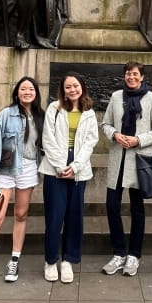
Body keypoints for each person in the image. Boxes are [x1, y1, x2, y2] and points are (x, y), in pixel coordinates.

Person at [0, 76, 44, 294]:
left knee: (21, 214)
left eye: (30, 89)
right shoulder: (6, 114)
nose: (27, 92)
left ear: (36, 93)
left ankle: (14, 259)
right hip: (5, 172)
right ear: (17, 92)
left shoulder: (41, 116)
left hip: (29, 170)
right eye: (23, 89)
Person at [101, 61, 152, 277]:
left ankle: (134, 255)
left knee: (137, 209)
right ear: (124, 76)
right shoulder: (116, 96)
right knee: (112, 206)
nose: (131, 77)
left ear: (142, 77)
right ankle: (118, 252)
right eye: (128, 74)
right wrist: (114, 135)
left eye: (135, 74)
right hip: (118, 159)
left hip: (139, 160)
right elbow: (106, 124)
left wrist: (138, 139)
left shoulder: (151, 98)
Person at [39, 72, 99, 283]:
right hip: (55, 168)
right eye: (68, 87)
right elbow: (48, 139)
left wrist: (75, 166)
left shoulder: (89, 112)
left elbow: (90, 142)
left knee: (74, 218)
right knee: (54, 217)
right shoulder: (54, 110)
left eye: (75, 86)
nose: (72, 90)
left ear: (82, 87)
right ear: (62, 90)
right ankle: (50, 260)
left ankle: (68, 261)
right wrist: (59, 165)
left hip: (78, 170)